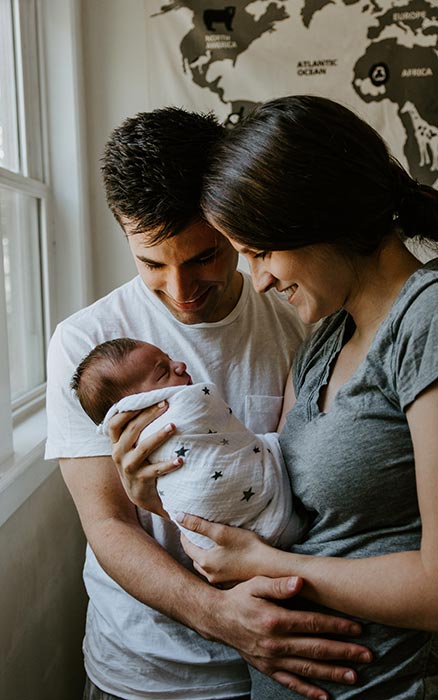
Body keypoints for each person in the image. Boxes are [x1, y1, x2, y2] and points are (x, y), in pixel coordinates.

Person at [45, 106, 373, 700]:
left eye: (203, 256)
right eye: (151, 263)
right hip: (141, 671)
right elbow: (108, 525)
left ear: (232, 222)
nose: (180, 289)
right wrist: (219, 617)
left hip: (280, 661)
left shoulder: (299, 317)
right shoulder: (86, 346)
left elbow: (316, 485)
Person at [166, 95, 438, 698]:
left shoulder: (428, 319)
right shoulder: (324, 338)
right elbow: (284, 510)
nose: (258, 279)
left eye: (261, 252)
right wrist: (161, 491)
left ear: (321, 218)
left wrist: (274, 569)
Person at [71, 337, 304, 550]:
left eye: (169, 358)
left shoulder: (290, 328)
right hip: (196, 565)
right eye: (163, 373)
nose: (180, 365)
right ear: (137, 404)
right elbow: (107, 524)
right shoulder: (77, 336)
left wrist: (153, 502)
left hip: (229, 546)